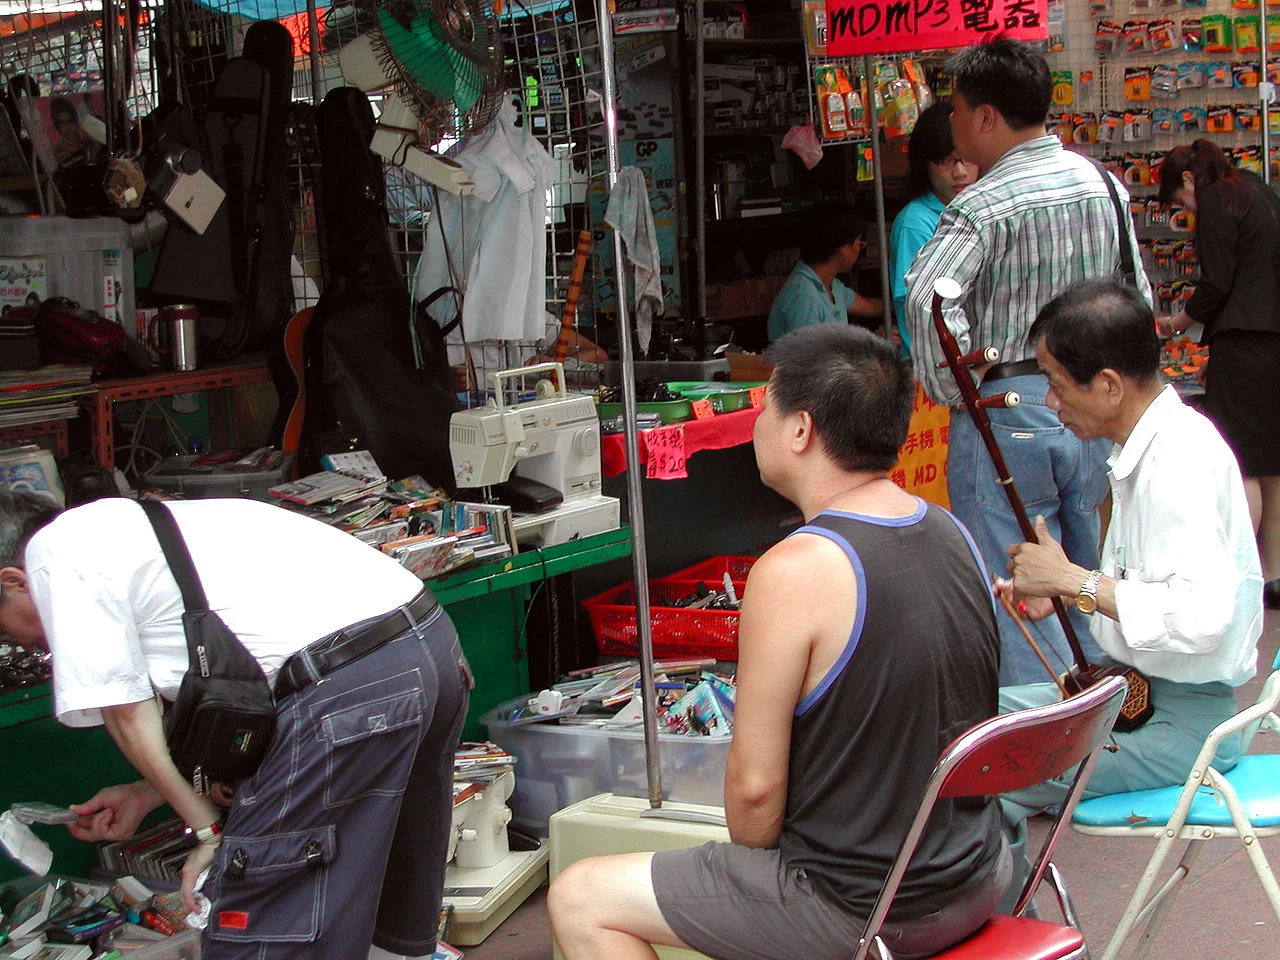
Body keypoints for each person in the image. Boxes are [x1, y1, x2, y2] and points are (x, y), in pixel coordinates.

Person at [548, 323, 1007, 960]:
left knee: (580, 896)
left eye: (766, 405)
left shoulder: (797, 569)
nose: (759, 423)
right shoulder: (953, 530)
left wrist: (751, 882)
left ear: (800, 430)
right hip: (980, 875)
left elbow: (755, 796)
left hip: (862, 907)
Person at [0, 492, 472, 960]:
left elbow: (126, 716)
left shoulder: (53, 559)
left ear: (15, 583)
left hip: (349, 687)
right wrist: (148, 792)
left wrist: (206, 831)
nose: (20, 644)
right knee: (379, 899)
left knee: (265, 927)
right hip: (427, 648)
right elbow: (232, 701)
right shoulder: (129, 526)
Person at [996, 278, 1262, 895]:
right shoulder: (1152, 449)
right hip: (1137, 700)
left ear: (1109, 386)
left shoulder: (1179, 461)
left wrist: (1074, 580)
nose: (1054, 404)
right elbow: (1156, 590)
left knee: (981, 769)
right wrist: (1067, 589)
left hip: (1184, 727)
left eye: (1058, 386)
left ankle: (1000, 933)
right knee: (963, 721)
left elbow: (1200, 618)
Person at [904, 36, 1152, 685]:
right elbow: (1139, 301)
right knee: (1088, 573)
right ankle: (1104, 721)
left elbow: (929, 299)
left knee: (1017, 583)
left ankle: (1043, 750)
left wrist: (955, 387)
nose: (953, 127)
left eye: (956, 111)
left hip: (1006, 415)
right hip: (1095, 415)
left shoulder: (982, 205)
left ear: (986, 117)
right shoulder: (1103, 184)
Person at [1156, 140, 1280, 612]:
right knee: (1273, 466)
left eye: (1178, 201)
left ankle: (1238, 575)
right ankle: (1273, 576)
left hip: (1244, 339)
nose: (1185, 210)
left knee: (1242, 461)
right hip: (1274, 336)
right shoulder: (1255, 188)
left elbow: (1216, 282)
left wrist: (1176, 323)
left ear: (1188, 180)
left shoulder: (1215, 198)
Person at [889, 102, 978, 357]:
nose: (960, 172)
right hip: (938, 368)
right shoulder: (915, 223)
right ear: (924, 165)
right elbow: (921, 311)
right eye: (946, 161)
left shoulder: (975, 210)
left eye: (966, 159)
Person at [767, 203, 884, 342]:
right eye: (859, 242)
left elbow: (872, 307)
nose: (860, 249)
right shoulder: (804, 297)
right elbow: (811, 358)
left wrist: (904, 304)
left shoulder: (832, 286)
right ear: (843, 247)